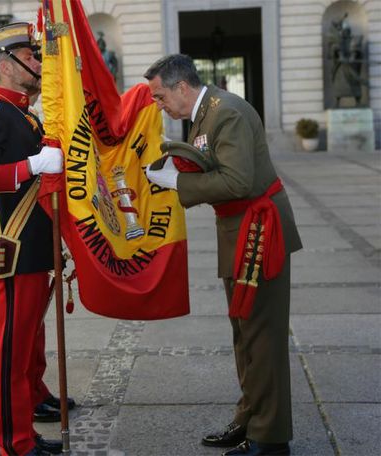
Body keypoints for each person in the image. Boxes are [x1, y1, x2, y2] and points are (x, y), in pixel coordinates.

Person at [144, 54, 302, 456]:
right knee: (244, 332)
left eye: (160, 96)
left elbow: (236, 180)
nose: (158, 104)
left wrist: (177, 182)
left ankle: (270, 439)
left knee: (261, 337)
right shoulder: (205, 114)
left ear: (182, 87)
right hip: (240, 229)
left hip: (259, 232)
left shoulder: (224, 113)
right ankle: (250, 417)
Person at [0, 22, 70, 456]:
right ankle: (14, 441)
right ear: (6, 67)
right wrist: (32, 166)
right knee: (13, 352)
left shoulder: (25, 114)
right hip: (14, 248)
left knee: (27, 345)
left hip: (34, 247)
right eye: (30, 58)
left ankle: (25, 426)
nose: (38, 64)